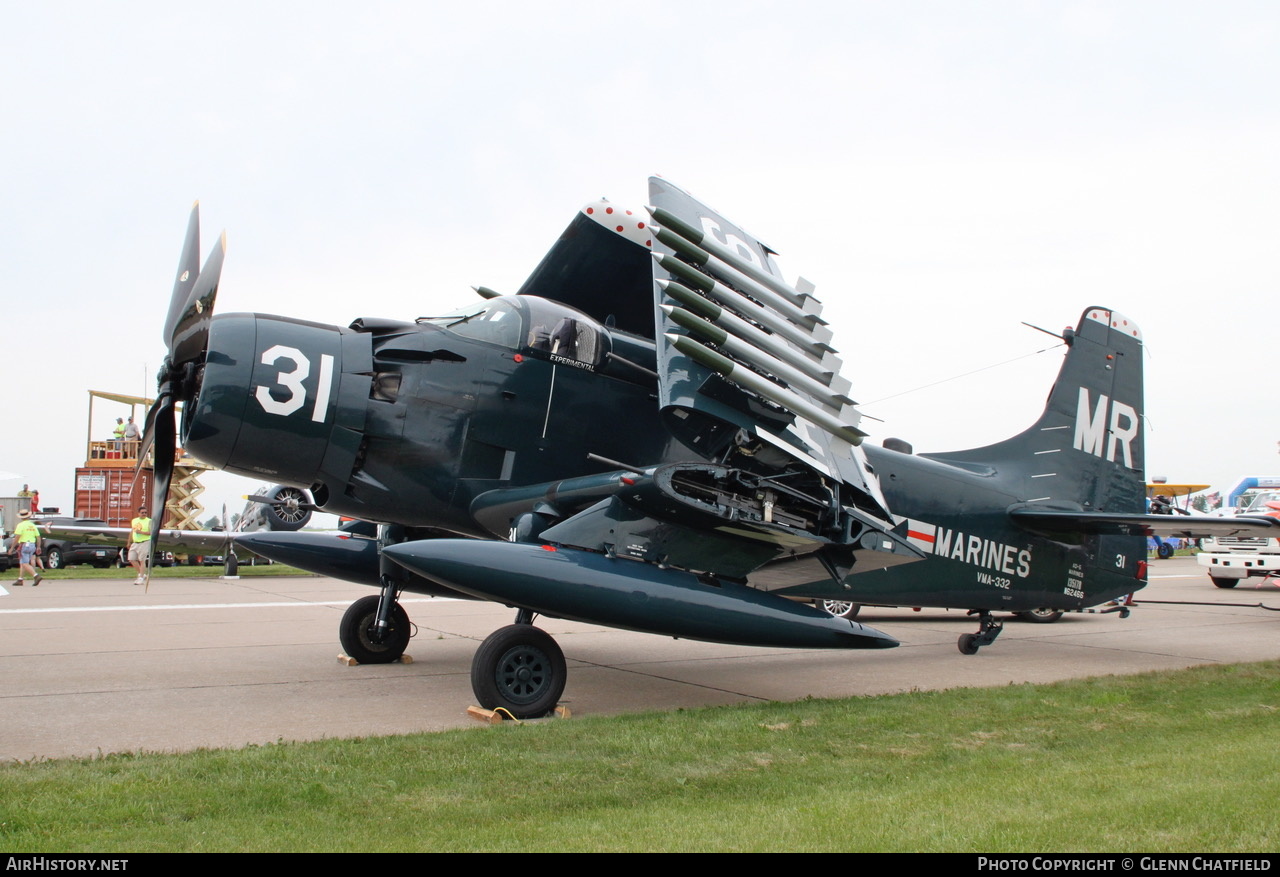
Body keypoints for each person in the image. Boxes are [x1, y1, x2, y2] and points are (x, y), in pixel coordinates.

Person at [9, 509, 43, 587]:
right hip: (32, 545)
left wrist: (12, 547)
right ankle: (20, 579)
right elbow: (38, 537)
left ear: (21, 517)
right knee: (23, 563)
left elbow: (17, 537)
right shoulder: (32, 525)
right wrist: (38, 546)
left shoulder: (21, 525)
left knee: (25, 563)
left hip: (24, 545)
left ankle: (36, 575)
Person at [128, 505, 152, 586]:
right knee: (132, 559)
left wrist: (141, 532)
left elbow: (151, 533)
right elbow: (132, 531)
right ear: (138, 513)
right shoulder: (134, 521)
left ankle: (140, 578)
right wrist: (129, 541)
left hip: (144, 542)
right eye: (142, 513)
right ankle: (142, 574)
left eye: (145, 512)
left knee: (142, 560)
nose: (144, 514)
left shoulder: (149, 521)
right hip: (135, 542)